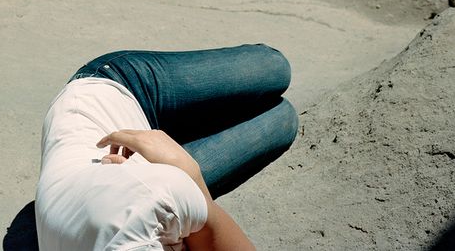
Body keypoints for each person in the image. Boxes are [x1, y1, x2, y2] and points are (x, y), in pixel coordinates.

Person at [35, 44, 298, 250]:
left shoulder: (151, 203)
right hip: (144, 180)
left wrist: (190, 178)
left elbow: (206, 225)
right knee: (283, 118)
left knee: (275, 68)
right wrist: (189, 176)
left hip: (109, 91)